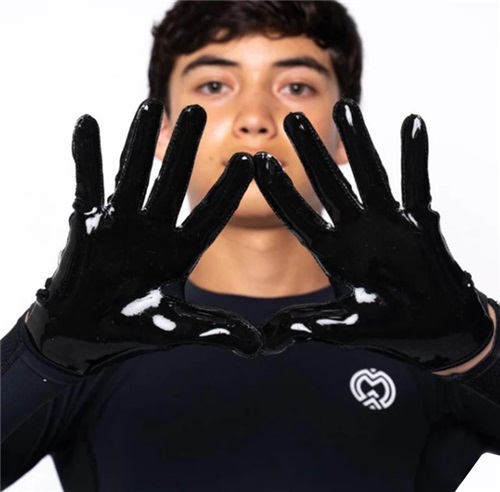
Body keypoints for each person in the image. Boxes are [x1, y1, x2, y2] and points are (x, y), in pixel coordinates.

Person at [1, 1, 499, 491]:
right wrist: (38, 356)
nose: (255, 118)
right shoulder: (94, 330)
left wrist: (483, 353)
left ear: (343, 134)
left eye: (296, 87)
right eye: (214, 86)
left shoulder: (428, 328)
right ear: (163, 131)